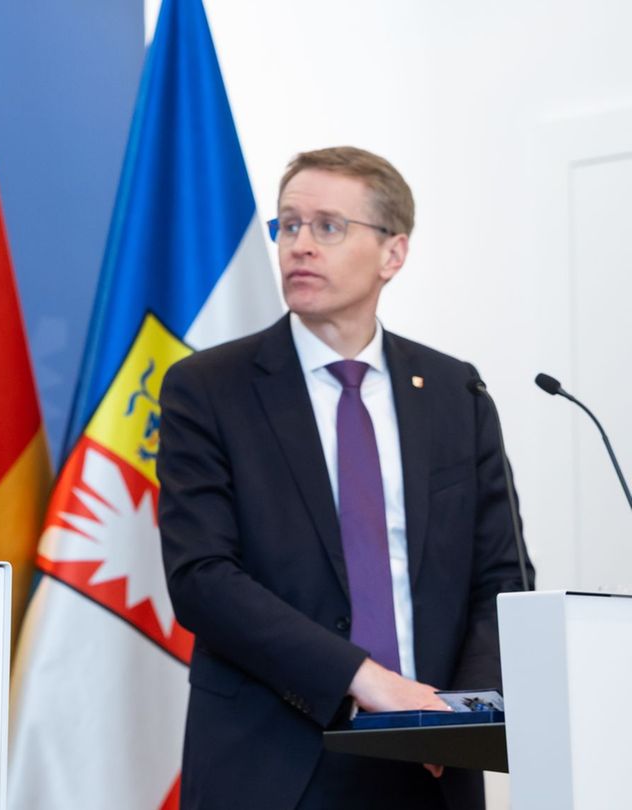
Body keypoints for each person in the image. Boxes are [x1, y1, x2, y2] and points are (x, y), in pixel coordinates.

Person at [157, 146, 530, 810]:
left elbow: (501, 579)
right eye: (288, 225)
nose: (300, 245)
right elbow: (203, 578)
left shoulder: (454, 391)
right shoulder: (209, 389)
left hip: (432, 763)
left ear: (393, 253)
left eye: (328, 226)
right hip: (271, 758)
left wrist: (462, 717)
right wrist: (363, 679)